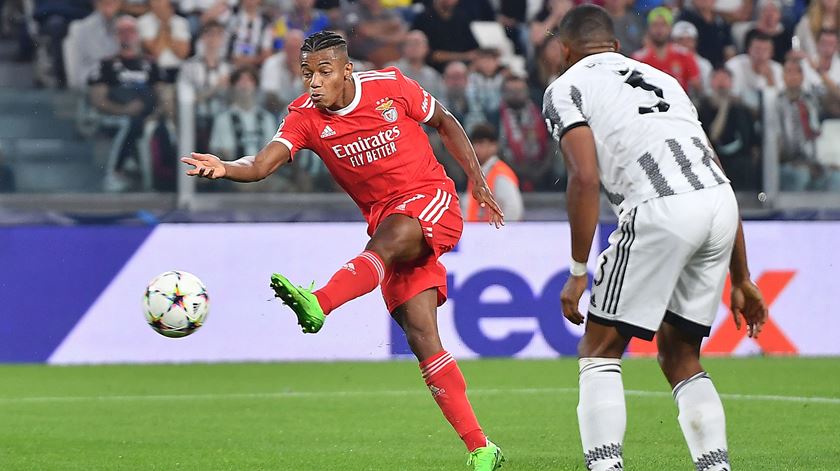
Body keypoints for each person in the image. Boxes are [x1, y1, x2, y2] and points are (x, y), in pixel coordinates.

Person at [181, 30, 506, 470]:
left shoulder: (390, 86)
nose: (313, 82)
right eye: (306, 73)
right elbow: (260, 165)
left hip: (431, 198)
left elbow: (446, 122)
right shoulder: (304, 117)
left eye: (324, 71)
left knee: (387, 240)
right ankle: (481, 447)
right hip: (386, 222)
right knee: (421, 335)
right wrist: (225, 166)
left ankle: (320, 302)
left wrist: (478, 182)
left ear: (347, 70)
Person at [542, 6, 767, 470]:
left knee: (599, 348)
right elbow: (714, 171)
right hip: (719, 205)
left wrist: (578, 271)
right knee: (680, 354)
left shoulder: (565, 87)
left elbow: (583, 177)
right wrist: (742, 278)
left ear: (565, 50)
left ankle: (604, 466)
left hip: (659, 208)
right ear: (617, 47)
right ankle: (716, 466)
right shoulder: (665, 79)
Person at [89, 15, 162, 191]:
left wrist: (154, 115)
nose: (127, 35)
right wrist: (124, 110)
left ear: (138, 34)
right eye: (122, 31)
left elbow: (163, 95)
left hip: (147, 115)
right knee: (129, 122)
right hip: (116, 116)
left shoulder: (151, 64)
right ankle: (115, 171)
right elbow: (98, 99)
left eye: (131, 31)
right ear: (116, 35)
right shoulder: (105, 65)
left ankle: (160, 179)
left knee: (144, 121)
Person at [697, 67, 760, 190]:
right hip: (714, 161)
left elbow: (752, 140)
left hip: (741, 161)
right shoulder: (703, 107)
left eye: (725, 79)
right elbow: (713, 136)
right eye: (717, 78)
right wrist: (723, 108)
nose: (721, 83)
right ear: (711, 82)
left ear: (731, 82)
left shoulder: (741, 109)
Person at [178, 20, 231, 152]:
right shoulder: (190, 66)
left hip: (223, 121)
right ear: (203, 37)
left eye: (218, 34)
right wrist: (215, 89)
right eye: (210, 34)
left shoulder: (228, 67)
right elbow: (188, 99)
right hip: (197, 120)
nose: (214, 39)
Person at [498, 76, 552, 191]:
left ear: (527, 92)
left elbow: (549, 144)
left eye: (520, 91)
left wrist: (540, 170)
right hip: (508, 171)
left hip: (541, 169)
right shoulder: (495, 116)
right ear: (503, 93)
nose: (516, 94)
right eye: (511, 91)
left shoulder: (541, 113)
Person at [776, 58, 822, 191]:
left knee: (835, 178)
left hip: (812, 161)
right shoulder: (775, 102)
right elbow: (777, 143)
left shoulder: (812, 101)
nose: (793, 76)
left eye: (797, 72)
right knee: (801, 176)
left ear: (803, 76)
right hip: (786, 162)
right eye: (789, 72)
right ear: (783, 76)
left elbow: (817, 132)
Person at [463, 123, 524, 221]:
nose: (475, 148)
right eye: (473, 144)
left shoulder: (500, 174)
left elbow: (513, 210)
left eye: (481, 143)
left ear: (494, 146)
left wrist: (502, 234)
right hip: (476, 233)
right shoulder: (476, 173)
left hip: (490, 235)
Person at [632, 7, 701, 93]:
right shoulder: (639, 58)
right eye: (655, 25)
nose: (659, 29)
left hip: (679, 103)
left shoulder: (684, 55)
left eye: (663, 25)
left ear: (670, 28)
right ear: (648, 28)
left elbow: (697, 86)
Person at [65, 0, 121, 89]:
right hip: (90, 91)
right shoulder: (79, 29)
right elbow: (74, 75)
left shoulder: (126, 27)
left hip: (120, 91)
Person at [411, 0, 479, 72]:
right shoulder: (423, 18)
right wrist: (464, 56)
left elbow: (474, 50)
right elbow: (433, 56)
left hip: (462, 71)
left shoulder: (462, 16)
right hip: (432, 71)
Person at [725, 32, 783, 114]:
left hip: (769, 113)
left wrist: (770, 79)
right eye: (757, 49)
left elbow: (780, 100)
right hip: (740, 112)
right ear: (749, 50)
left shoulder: (777, 69)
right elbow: (730, 95)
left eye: (765, 50)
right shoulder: (734, 65)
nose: (760, 54)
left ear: (772, 53)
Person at [138, 0, 190, 82]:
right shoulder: (143, 22)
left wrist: (167, 27)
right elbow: (156, 53)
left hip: (178, 70)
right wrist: (163, 24)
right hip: (155, 71)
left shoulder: (181, 22)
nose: (158, 3)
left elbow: (182, 54)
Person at [676, 0, 736, 67]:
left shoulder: (721, 21)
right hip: (693, 65)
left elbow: (729, 49)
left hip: (718, 68)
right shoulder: (684, 18)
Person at [386, 30, 444, 99]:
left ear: (426, 48)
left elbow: (441, 102)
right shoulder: (391, 71)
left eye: (417, 43)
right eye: (410, 43)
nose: (413, 47)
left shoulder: (433, 76)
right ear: (403, 48)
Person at [672, 20, 713, 95]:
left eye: (689, 40)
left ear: (695, 42)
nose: (685, 43)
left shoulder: (704, 64)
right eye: (680, 40)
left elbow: (707, 92)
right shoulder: (667, 60)